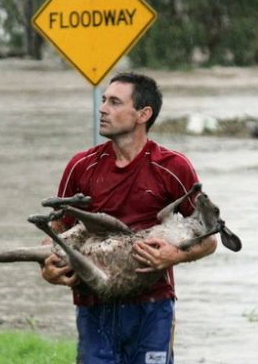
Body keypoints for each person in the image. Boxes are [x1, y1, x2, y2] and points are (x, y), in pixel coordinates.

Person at [41, 72, 217, 364]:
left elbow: (209, 240)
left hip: (152, 307)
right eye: (103, 100)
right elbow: (56, 232)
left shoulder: (173, 167)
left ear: (142, 114)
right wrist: (47, 269)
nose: (103, 109)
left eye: (114, 102)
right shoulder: (81, 166)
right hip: (93, 305)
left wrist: (174, 255)